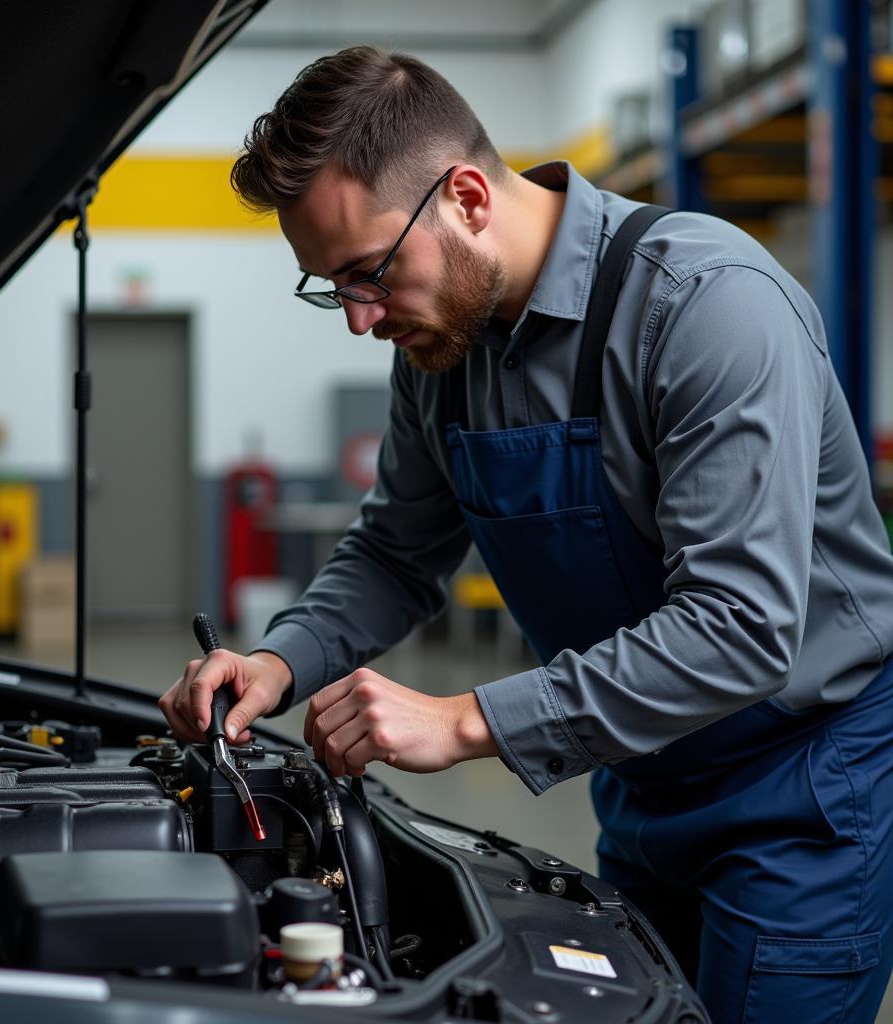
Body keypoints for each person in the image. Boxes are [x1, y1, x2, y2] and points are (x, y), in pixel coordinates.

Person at [159, 46, 893, 1022]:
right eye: (331, 288)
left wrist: (466, 719)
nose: (359, 318)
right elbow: (394, 549)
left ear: (465, 196)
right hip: (644, 782)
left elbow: (740, 625)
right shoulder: (442, 351)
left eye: (368, 273)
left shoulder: (706, 305)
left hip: (801, 790)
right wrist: (278, 663)